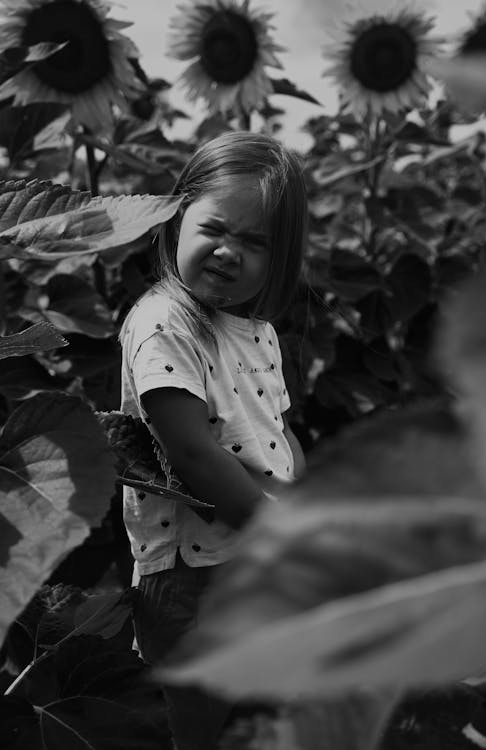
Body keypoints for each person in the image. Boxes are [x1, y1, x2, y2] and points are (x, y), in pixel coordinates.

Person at [119, 130, 308, 750]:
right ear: (176, 221)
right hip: (192, 569)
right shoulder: (163, 323)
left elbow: (275, 432)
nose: (230, 252)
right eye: (216, 230)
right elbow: (191, 452)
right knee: (199, 717)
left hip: (248, 551)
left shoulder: (255, 331)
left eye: (255, 243)